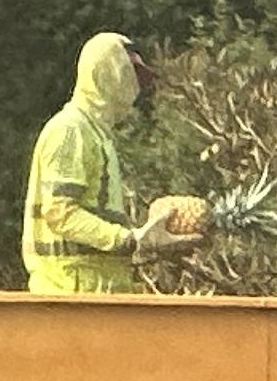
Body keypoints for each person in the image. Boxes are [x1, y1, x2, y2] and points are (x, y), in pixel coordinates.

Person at [22, 32, 208, 294]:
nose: (136, 88)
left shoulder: (96, 134)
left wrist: (144, 240)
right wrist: (130, 240)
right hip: (69, 289)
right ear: (110, 72)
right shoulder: (70, 130)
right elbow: (60, 213)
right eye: (132, 74)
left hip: (95, 286)